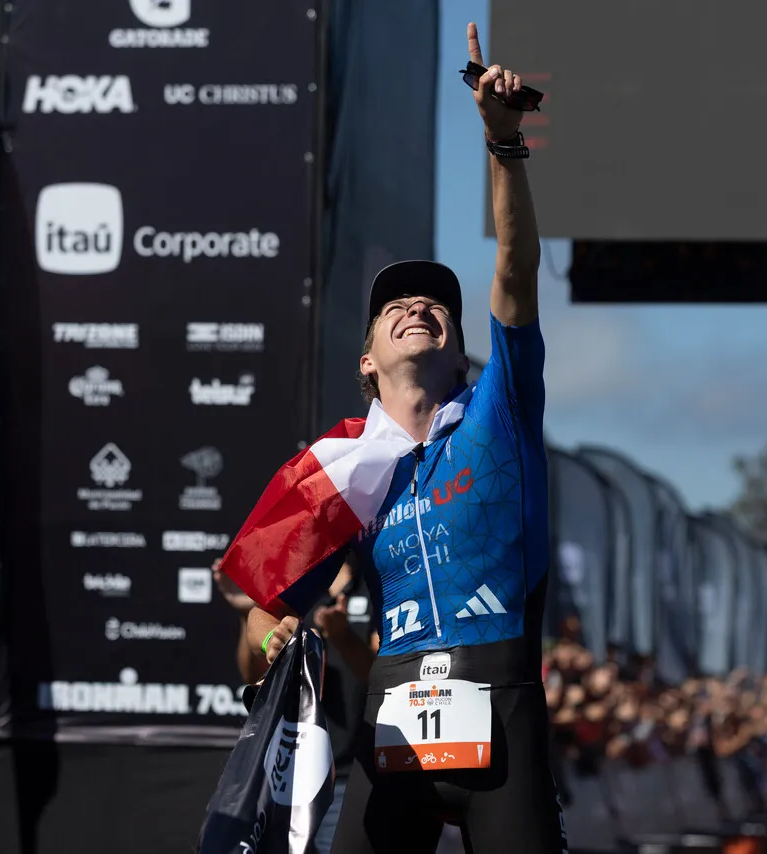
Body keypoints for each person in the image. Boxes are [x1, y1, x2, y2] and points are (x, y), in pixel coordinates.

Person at [222, 22, 564, 853]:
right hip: (392, 726)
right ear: (367, 362)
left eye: (435, 304)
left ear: (458, 343)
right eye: (394, 308)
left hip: (504, 721)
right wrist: (285, 638)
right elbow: (257, 630)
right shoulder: (347, 472)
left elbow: (516, 274)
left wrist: (503, 144)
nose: (418, 308)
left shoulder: (500, 410)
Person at [215, 555, 378, 854]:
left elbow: (379, 675)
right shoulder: (298, 581)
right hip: (286, 774)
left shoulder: (375, 581)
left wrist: (342, 637)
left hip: (349, 773)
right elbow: (252, 671)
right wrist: (270, 641)